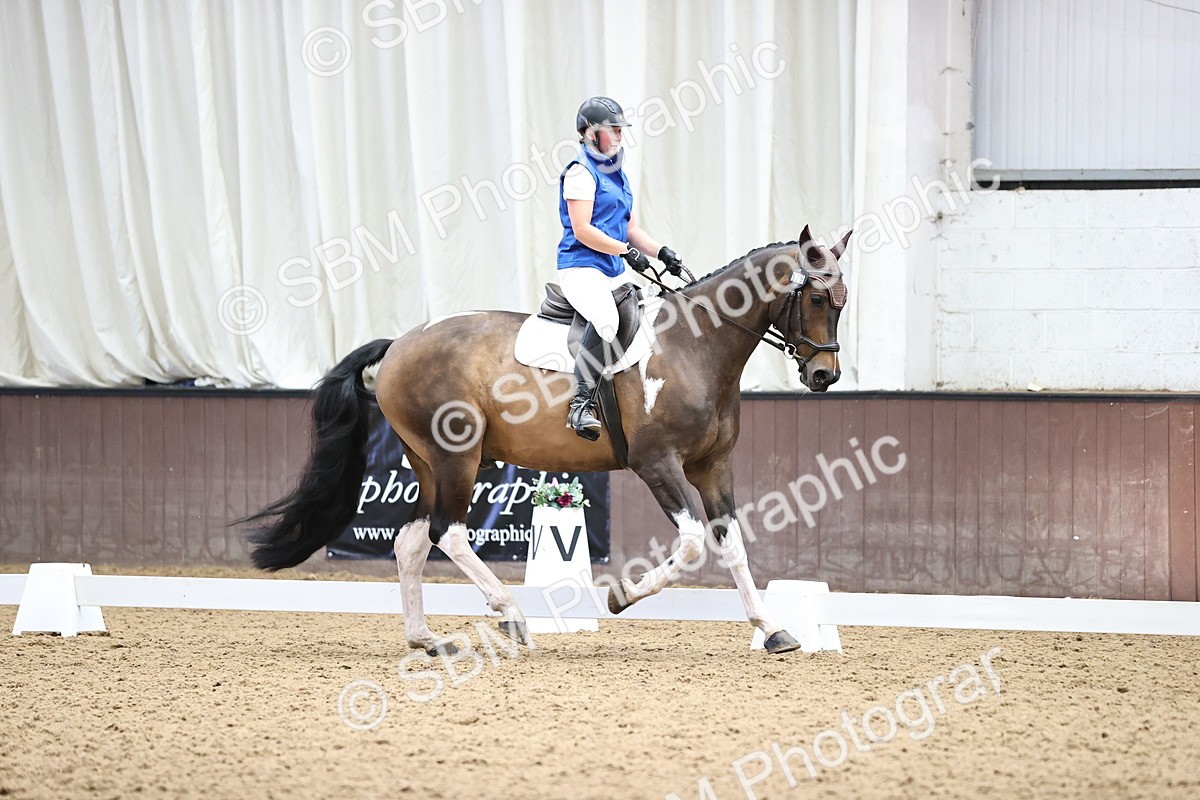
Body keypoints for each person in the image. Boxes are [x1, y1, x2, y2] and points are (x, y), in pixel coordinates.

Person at [557, 96, 684, 440]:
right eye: (613, 130)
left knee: (655, 315)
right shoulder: (580, 172)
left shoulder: (619, 175)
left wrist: (662, 253)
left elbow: (631, 230)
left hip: (613, 268)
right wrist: (625, 251)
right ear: (590, 133)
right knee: (608, 320)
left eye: (620, 130)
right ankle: (580, 404)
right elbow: (583, 229)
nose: (619, 136)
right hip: (581, 267)